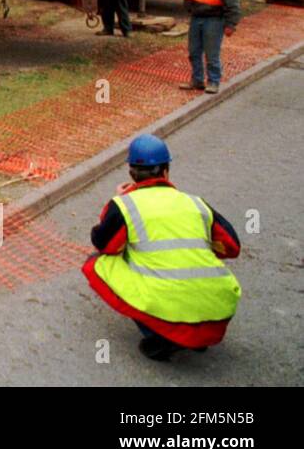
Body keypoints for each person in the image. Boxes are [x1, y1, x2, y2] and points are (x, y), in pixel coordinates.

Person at [83, 134, 241, 362]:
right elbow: (232, 247)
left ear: (131, 174)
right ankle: (195, 336)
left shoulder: (125, 205)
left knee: (97, 263)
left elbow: (104, 244)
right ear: (166, 171)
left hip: (173, 309)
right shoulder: (196, 203)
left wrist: (120, 201)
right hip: (217, 312)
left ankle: (162, 335)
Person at [136, 0, 239, 94]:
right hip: (196, 18)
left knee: (212, 53)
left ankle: (213, 81)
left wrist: (231, 25)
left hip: (214, 20)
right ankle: (197, 80)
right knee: (194, 51)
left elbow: (233, 4)